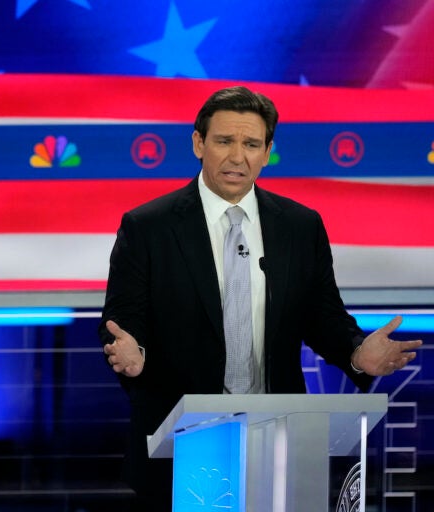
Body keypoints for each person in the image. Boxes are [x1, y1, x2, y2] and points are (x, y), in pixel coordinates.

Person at [98, 86, 423, 511]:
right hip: (179, 443)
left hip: (278, 439)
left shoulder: (299, 226)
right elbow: (124, 317)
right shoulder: (149, 227)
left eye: (251, 144)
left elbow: (322, 315)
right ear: (198, 143)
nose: (238, 156)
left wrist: (357, 352)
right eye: (224, 141)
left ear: (268, 151)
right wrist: (133, 352)